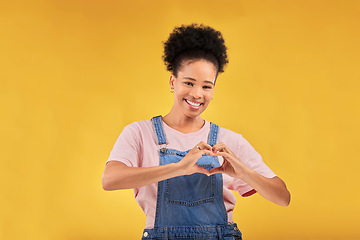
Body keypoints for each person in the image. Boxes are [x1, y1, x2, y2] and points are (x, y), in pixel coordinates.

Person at [102, 23, 290, 240]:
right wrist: (178, 168)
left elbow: (282, 197)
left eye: (206, 86)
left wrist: (243, 172)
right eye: (189, 83)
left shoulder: (228, 140)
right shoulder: (140, 133)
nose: (197, 94)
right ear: (173, 81)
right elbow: (110, 179)